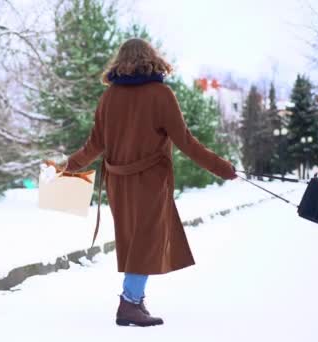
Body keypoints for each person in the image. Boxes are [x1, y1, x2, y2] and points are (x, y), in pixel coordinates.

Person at [62, 38, 237, 327]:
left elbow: (93, 146)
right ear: (151, 59)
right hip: (150, 182)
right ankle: (129, 304)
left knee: (135, 240)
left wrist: (65, 167)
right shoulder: (161, 94)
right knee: (143, 242)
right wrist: (223, 168)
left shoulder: (109, 97)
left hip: (118, 183)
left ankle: (133, 301)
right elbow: (187, 143)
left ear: (120, 61)